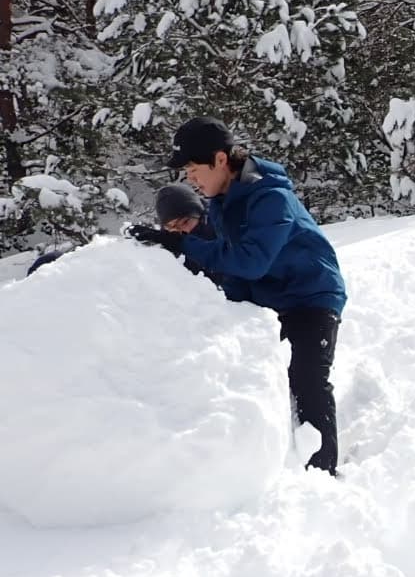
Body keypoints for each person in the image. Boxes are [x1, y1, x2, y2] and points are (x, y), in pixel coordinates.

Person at [128, 117, 346, 475]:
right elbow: (236, 272)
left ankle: (321, 474)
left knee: (307, 379)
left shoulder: (271, 196)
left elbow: (250, 261)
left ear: (219, 160)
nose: (191, 180)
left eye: (194, 170)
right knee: (254, 369)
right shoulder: (222, 202)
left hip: (311, 295)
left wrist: (182, 243)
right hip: (270, 296)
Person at [153, 182, 221, 282]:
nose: (181, 230)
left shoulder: (225, 229)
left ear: (199, 214)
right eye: (172, 227)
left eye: (185, 222)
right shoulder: (174, 243)